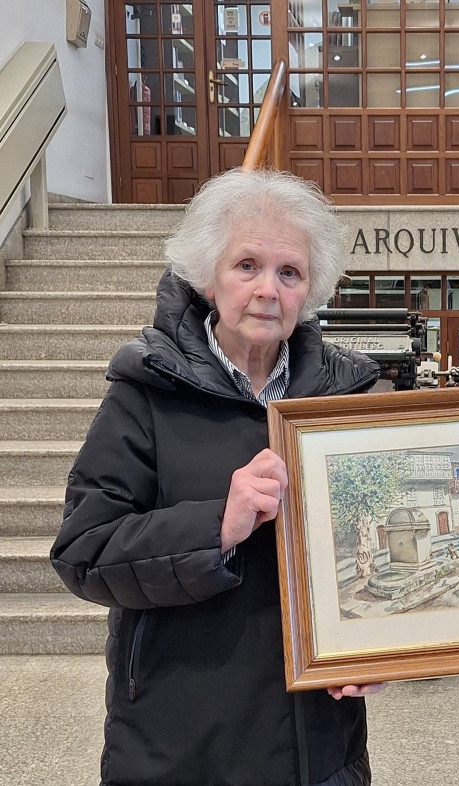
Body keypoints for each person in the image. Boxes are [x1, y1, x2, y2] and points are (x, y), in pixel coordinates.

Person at [50, 168, 384, 786]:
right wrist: (216, 526)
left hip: (315, 751)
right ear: (208, 276)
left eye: (290, 273)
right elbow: (82, 552)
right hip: (180, 744)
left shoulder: (347, 398)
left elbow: (376, 549)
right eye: (247, 265)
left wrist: (376, 646)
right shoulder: (147, 392)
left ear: (310, 290)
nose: (268, 290)